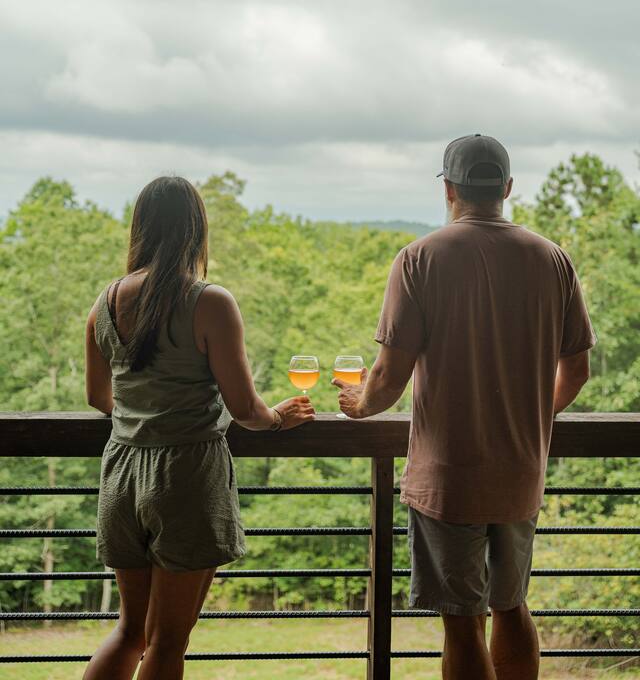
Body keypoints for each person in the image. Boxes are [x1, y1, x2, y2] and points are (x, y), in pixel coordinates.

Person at [332, 134, 595, 680]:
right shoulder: (552, 258)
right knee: (511, 605)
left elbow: (389, 376)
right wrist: (529, 417)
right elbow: (576, 371)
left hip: (447, 477)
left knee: (461, 621)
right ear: (507, 188)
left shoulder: (419, 259)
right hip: (521, 470)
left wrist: (359, 406)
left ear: (449, 189)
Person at [83, 175, 314, 680]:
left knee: (130, 631)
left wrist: (145, 408)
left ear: (141, 228)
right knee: (168, 642)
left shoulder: (105, 302)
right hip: (186, 472)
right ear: (195, 230)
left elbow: (99, 398)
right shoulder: (209, 302)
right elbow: (245, 408)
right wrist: (279, 418)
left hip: (122, 472)